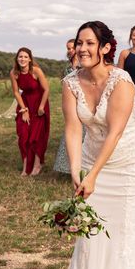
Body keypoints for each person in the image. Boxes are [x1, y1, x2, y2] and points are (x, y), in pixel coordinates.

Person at [24, 21, 135, 269]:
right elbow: (72, 127)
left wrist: (93, 174)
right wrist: (75, 169)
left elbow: (116, 131)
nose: (82, 49)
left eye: (89, 43)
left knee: (125, 233)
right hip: (89, 159)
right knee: (91, 235)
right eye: (79, 43)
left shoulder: (121, 81)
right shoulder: (70, 83)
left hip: (131, 164)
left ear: (105, 48)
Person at [10, 47, 50, 176]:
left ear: (30, 59)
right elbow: (16, 92)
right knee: (23, 135)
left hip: (39, 103)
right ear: (17, 58)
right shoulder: (14, 73)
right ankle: (26, 166)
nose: (22, 59)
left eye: (25, 57)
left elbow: (46, 89)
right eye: (20, 56)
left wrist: (41, 107)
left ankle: (37, 165)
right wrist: (23, 109)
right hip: (25, 103)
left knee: (36, 136)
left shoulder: (36, 71)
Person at [54, 39, 82, 173]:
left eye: (72, 48)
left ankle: (84, 167)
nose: (70, 50)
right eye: (68, 48)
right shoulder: (67, 68)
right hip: (71, 103)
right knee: (70, 135)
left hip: (83, 103)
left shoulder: (84, 65)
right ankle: (68, 168)